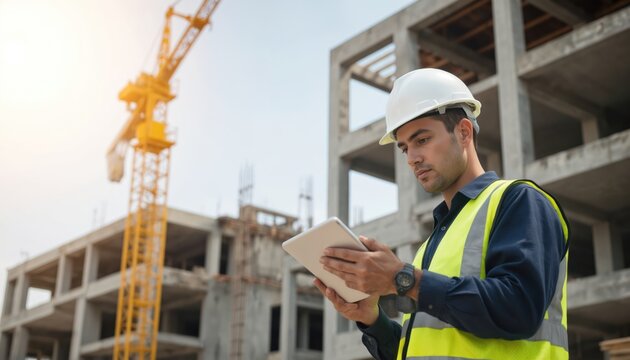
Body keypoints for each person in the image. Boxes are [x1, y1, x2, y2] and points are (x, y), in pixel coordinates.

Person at [314, 68, 569, 360]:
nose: (412, 158)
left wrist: (403, 278)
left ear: (463, 132)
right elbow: (423, 349)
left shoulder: (519, 201)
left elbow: (519, 310)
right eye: (404, 148)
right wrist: (371, 319)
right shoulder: (431, 246)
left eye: (421, 140)